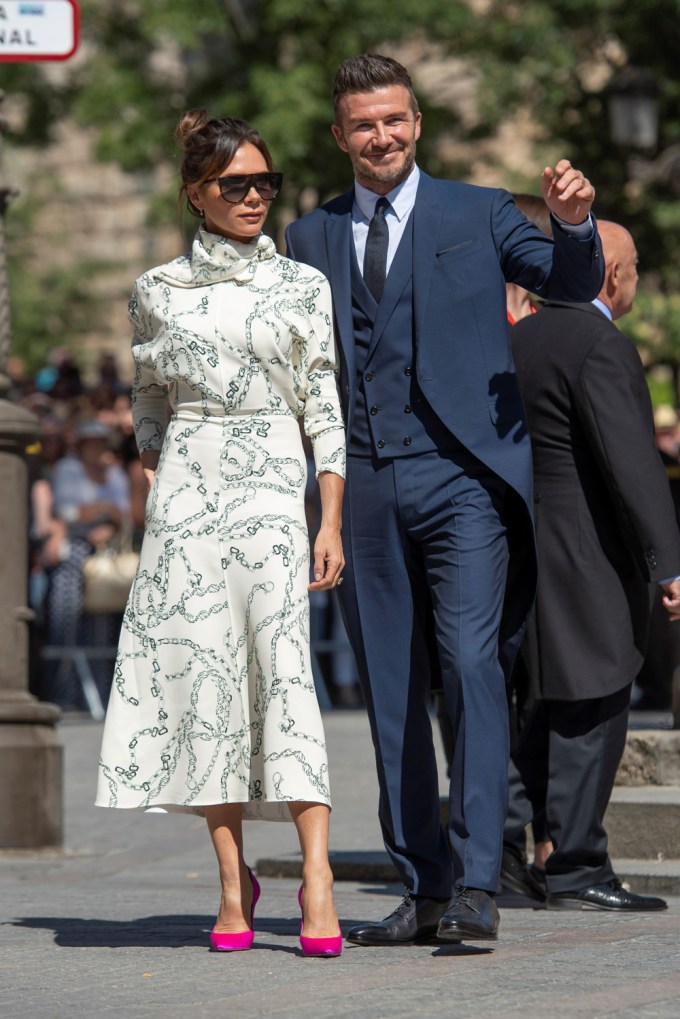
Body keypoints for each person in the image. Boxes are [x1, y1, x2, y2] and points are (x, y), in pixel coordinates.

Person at [285, 53, 604, 945]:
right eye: (362, 124)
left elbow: (569, 283)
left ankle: (476, 882)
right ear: (340, 134)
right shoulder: (310, 238)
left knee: (469, 667)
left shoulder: (479, 209)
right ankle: (422, 884)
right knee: (390, 692)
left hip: (465, 478)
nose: (380, 136)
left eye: (393, 119)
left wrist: (575, 226)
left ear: (416, 123)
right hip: (365, 486)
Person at [95, 111, 345, 957]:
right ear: (195, 194)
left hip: (276, 482)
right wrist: (155, 460)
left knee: (283, 669)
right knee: (206, 683)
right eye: (234, 185)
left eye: (263, 183)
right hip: (190, 500)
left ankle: (316, 876)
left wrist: (331, 518)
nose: (252, 197)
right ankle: (234, 885)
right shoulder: (155, 289)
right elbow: (147, 391)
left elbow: (325, 406)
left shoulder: (304, 285)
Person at [503, 221, 680, 911]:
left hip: (522, 548)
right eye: (633, 266)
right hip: (588, 555)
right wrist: (668, 564)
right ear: (612, 275)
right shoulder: (599, 342)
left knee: (534, 708)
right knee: (593, 701)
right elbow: (632, 465)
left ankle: (501, 858)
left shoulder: (517, 337)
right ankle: (577, 866)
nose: (635, 280)